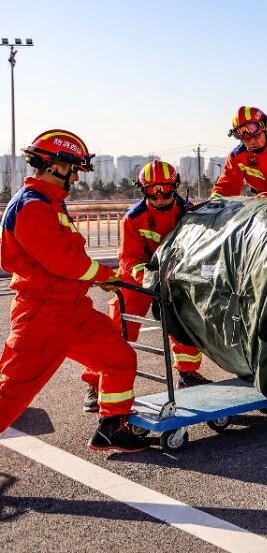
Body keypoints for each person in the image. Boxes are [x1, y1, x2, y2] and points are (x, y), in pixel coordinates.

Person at [0, 130, 150, 452]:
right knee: (11, 392)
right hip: (43, 314)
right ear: (55, 166)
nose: (76, 177)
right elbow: (63, 261)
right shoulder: (32, 206)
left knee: (119, 358)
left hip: (72, 309)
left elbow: (69, 259)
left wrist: (97, 278)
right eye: (74, 169)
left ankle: (112, 427)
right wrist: (104, 275)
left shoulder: (49, 202)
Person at [81, 160, 207, 413]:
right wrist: (149, 279)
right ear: (143, 190)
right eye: (152, 191)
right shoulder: (134, 217)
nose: (159, 197)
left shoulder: (188, 213)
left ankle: (188, 373)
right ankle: (95, 384)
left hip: (173, 275)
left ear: (175, 187)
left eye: (165, 190)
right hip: (137, 276)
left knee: (185, 323)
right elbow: (129, 258)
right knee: (119, 329)